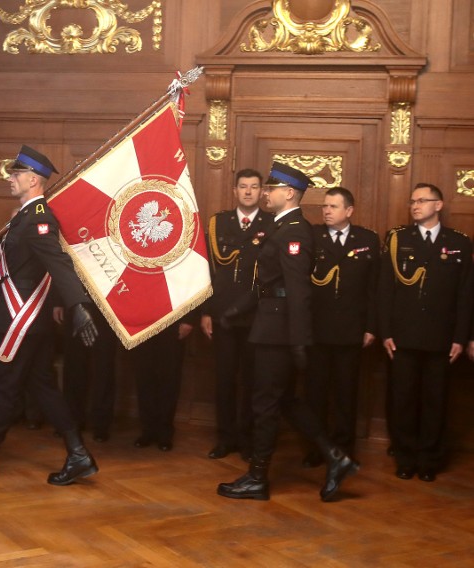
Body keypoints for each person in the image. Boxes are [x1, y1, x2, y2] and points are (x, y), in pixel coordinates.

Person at [0, 145, 98, 488]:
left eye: (15, 174)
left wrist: (78, 306)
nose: (10, 179)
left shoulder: (39, 217)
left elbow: (58, 263)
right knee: (41, 386)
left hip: (20, 322)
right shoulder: (25, 215)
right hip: (25, 321)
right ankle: (78, 454)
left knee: (1, 387)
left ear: (32, 180)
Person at [217, 161, 359, 502]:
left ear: (289, 193)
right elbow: (269, 283)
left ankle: (258, 478)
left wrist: (298, 341)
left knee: (265, 403)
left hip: (278, 332)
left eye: (272, 189)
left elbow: (298, 291)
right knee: (285, 401)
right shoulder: (284, 228)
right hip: (271, 325)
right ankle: (336, 457)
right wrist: (237, 310)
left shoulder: (294, 231)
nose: (266, 193)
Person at [379, 183, 473, 482]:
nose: (415, 206)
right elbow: (385, 290)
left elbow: (465, 295)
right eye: (412, 201)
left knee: (436, 401)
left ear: (439, 205)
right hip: (403, 335)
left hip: (441, 338)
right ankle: (405, 456)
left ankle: (429, 459)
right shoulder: (398, 239)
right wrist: (386, 331)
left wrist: (460, 337)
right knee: (402, 399)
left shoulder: (459, 242)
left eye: (422, 200)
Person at [302, 187, 380, 467]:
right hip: (318, 331)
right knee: (316, 395)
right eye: (325, 206)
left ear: (349, 211)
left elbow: (373, 289)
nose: (326, 211)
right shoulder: (313, 236)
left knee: (347, 395)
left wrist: (371, 326)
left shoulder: (367, 239)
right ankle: (316, 449)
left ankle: (344, 449)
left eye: (333, 206)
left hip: (351, 331)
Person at [201, 168, 273, 460]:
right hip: (223, 315)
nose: (247, 192)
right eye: (243, 187)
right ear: (234, 191)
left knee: (253, 381)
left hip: (257, 316)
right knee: (225, 379)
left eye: (254, 187)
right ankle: (225, 438)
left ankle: (248, 439)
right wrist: (206, 312)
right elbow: (206, 270)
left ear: (261, 192)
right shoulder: (219, 223)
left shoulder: (271, 224)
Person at [53, 296, 118, 442]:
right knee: (73, 367)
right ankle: (72, 422)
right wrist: (58, 302)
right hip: (75, 304)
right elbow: (63, 273)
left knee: (104, 368)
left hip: (107, 307)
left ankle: (101, 425)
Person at [130, 319, 193, 452]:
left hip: (173, 323)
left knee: (170, 378)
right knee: (144, 377)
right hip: (142, 322)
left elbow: (192, 296)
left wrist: (190, 320)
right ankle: (147, 430)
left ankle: (165, 432)